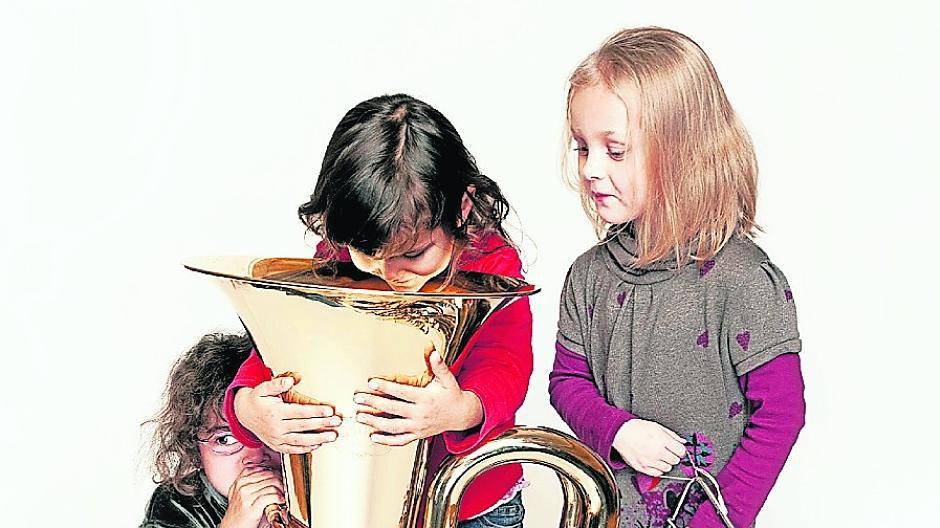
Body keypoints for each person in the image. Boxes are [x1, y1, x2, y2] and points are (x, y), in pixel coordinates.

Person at [224, 94, 531, 527]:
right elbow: (280, 350)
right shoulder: (339, 254)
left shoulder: (494, 265)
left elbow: (506, 361)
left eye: (414, 254)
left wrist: (459, 410)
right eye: (369, 253)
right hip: (358, 499)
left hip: (471, 504)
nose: (389, 274)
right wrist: (247, 409)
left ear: (462, 208)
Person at [548, 27, 806, 528]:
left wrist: (717, 520)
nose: (590, 169)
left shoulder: (743, 281)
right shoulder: (588, 276)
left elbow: (780, 416)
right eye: (583, 147)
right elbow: (567, 382)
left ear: (684, 151)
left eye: (614, 150)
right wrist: (617, 430)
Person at [142, 332, 285, 528]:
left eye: (265, 433)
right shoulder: (177, 504)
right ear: (195, 449)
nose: (254, 457)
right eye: (225, 439)